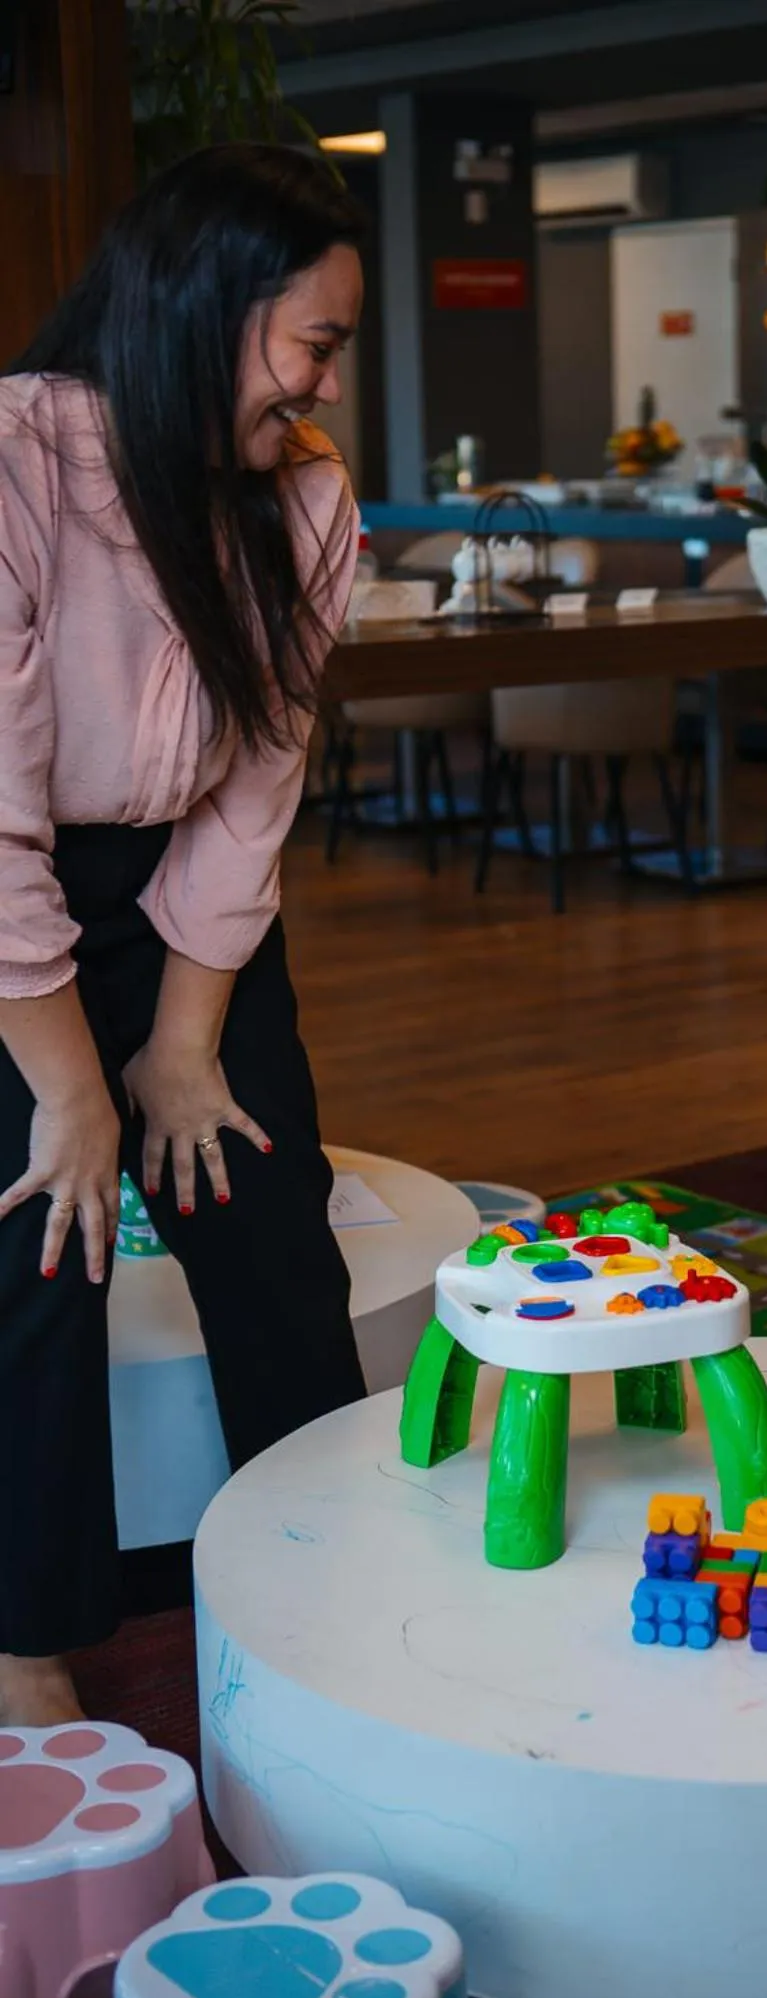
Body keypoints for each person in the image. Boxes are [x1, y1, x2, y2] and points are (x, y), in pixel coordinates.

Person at [0, 144, 370, 1726]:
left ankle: (324, 1567)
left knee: (266, 1206)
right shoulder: (15, 456)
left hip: (189, 905)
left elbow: (257, 787)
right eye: (315, 341)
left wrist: (179, 1044)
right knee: (41, 1243)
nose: (325, 387)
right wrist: (77, 1091)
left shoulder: (306, 498)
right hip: (15, 905)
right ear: (204, 314)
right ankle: (27, 1645)